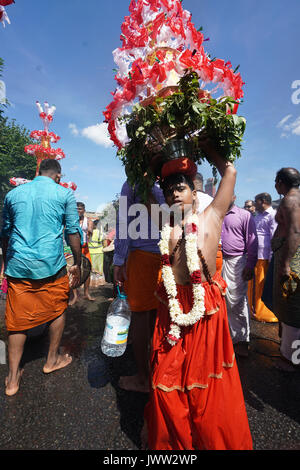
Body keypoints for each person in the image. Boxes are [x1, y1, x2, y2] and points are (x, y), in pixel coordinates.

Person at [143, 141, 252, 450]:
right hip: (172, 310)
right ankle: (174, 444)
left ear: (194, 192)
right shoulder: (165, 224)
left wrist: (208, 145)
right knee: (165, 380)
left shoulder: (212, 216)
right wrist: (152, 163)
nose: (175, 193)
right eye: (169, 190)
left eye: (181, 187)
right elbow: (142, 190)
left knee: (205, 387)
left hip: (204, 312)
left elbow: (229, 170)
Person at [1, 159, 81, 396]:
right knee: (57, 309)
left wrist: (7, 262)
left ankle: (13, 379)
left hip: (19, 266)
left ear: (38, 172)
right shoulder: (64, 193)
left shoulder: (13, 194)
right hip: (51, 266)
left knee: (16, 321)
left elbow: (5, 233)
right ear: (58, 175)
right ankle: (51, 360)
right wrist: (77, 262)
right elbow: (73, 231)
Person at [114, 179, 165, 393]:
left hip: (142, 256)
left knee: (141, 317)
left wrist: (118, 260)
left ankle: (144, 378)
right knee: (158, 317)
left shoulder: (135, 184)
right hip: (168, 257)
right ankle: (159, 371)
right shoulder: (170, 183)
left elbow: (124, 223)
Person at [221, 196, 258, 357]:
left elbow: (252, 241)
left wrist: (250, 265)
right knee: (221, 301)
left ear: (233, 196)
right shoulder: (216, 213)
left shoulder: (244, 215)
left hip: (237, 262)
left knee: (237, 301)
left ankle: (242, 340)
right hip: (218, 260)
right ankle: (227, 338)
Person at [271, 168, 300, 371]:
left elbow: (294, 232)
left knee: (291, 307)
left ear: (281, 182)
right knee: (288, 305)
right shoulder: (292, 198)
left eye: (275, 181)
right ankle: (287, 351)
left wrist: (286, 263)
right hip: (286, 254)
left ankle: (291, 359)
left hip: (291, 258)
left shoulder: (291, 200)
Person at [248, 193, 278, 322]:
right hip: (254, 255)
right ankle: (252, 309)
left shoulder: (273, 215)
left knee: (261, 285)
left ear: (264, 201)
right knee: (253, 284)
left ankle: (264, 313)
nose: (254, 204)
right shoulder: (257, 216)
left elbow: (273, 237)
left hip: (264, 256)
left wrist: (272, 257)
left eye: (256, 201)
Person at [69, 202, 95, 305]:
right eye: (76, 209)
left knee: (87, 270)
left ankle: (86, 293)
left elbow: (91, 232)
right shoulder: (71, 220)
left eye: (80, 209)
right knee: (74, 270)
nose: (78, 210)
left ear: (84, 210)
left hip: (85, 247)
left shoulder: (88, 221)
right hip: (75, 248)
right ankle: (75, 296)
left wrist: (90, 231)